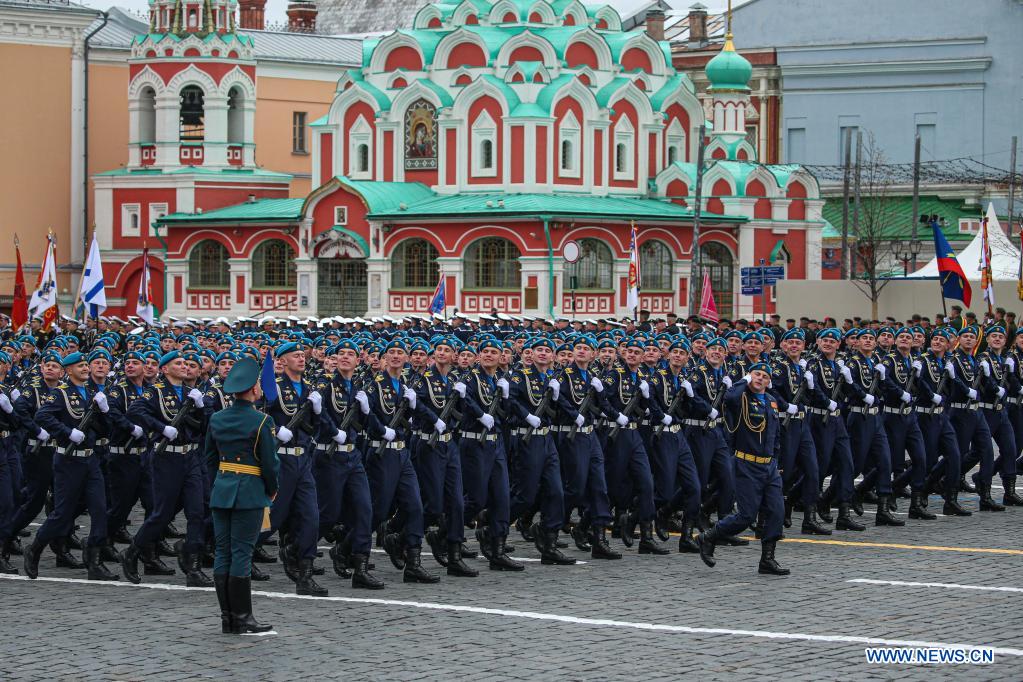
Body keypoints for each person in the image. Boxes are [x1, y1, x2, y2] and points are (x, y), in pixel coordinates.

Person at [204, 357, 279, 634]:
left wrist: (221, 482)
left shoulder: (217, 418)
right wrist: (271, 488)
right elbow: (270, 463)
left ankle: (228, 618)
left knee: (223, 553)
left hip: (222, 491)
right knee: (242, 554)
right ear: (252, 390)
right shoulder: (262, 421)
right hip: (249, 492)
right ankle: (244, 617)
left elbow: (209, 458)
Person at [697, 362, 788, 575]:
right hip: (747, 464)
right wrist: (743, 380)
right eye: (756, 374)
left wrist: (776, 461)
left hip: (769, 466)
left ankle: (767, 559)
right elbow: (728, 398)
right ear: (749, 376)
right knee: (746, 516)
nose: (760, 378)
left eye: (764, 376)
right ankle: (708, 536)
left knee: (776, 512)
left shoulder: (772, 402)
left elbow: (775, 435)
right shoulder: (741, 398)